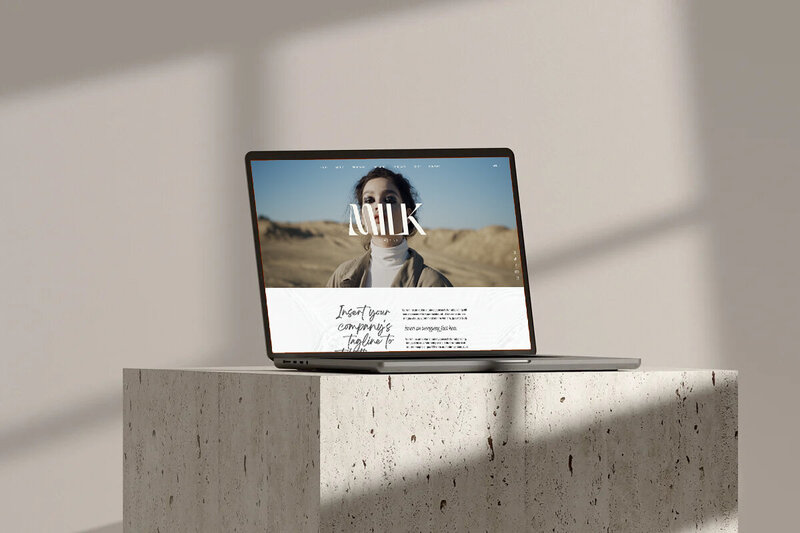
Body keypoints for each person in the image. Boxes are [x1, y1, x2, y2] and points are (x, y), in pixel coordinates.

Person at [326, 167, 452, 288]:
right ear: (362, 218)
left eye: (389, 199)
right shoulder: (342, 277)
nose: (378, 205)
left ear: (408, 216)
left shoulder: (434, 284)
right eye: (369, 200)